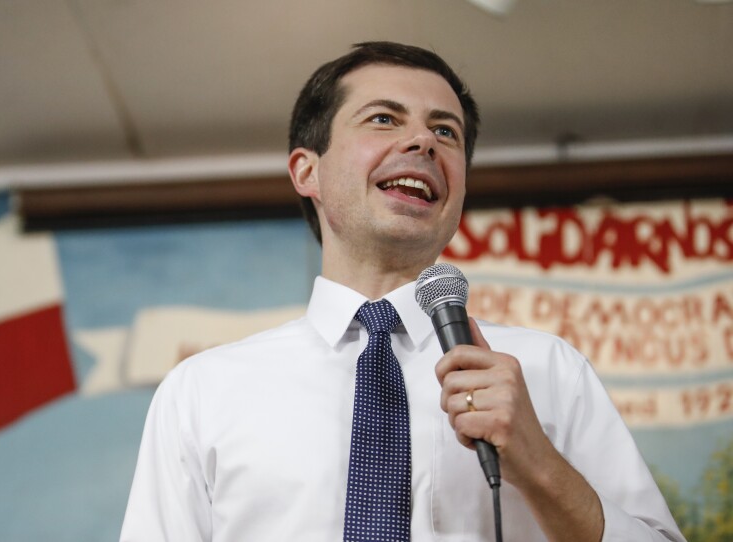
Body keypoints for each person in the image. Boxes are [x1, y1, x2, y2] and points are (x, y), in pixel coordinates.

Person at [120, 42, 684, 541]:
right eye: (384, 119)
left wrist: (539, 465)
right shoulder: (203, 392)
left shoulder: (548, 372)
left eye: (446, 132)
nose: (423, 141)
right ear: (307, 171)